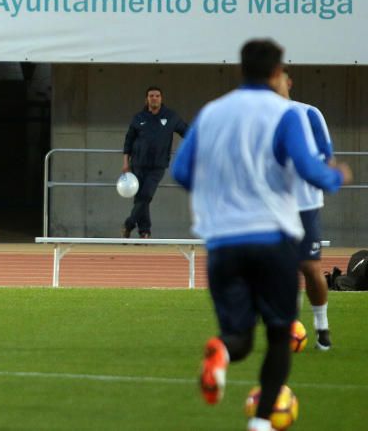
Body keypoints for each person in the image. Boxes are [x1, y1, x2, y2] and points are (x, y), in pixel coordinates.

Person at [170, 39, 350, 431]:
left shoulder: (213, 112)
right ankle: (263, 422)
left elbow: (182, 172)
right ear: (276, 72)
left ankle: (221, 351)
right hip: (272, 238)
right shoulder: (284, 114)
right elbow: (310, 168)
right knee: (279, 335)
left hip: (223, 243)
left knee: (239, 336)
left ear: (241, 69)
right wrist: (335, 176)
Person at [272, 69, 335, 350]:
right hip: (273, 205)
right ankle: (289, 326)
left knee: (309, 267)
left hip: (305, 203)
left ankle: (322, 326)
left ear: (289, 82)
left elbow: (325, 155)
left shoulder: (309, 113)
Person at [120, 85, 188, 238]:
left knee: (146, 196)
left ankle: (128, 224)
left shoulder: (170, 117)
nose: (154, 98)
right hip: (137, 164)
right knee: (140, 199)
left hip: (157, 166)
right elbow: (128, 141)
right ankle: (145, 232)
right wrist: (125, 162)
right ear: (147, 99)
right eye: (151, 96)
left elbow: (187, 132)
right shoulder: (139, 118)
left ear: (161, 98)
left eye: (157, 95)